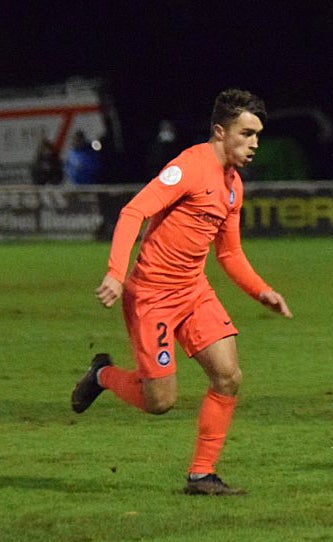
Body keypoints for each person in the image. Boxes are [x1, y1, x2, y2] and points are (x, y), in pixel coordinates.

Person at [70, 89, 293, 495]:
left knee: (228, 376)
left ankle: (201, 475)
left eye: (258, 134)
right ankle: (102, 375)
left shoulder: (232, 186)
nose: (255, 143)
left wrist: (262, 291)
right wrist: (116, 274)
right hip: (152, 295)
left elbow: (229, 253)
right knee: (160, 402)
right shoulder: (189, 167)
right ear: (220, 131)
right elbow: (133, 211)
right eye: (247, 133)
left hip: (194, 292)